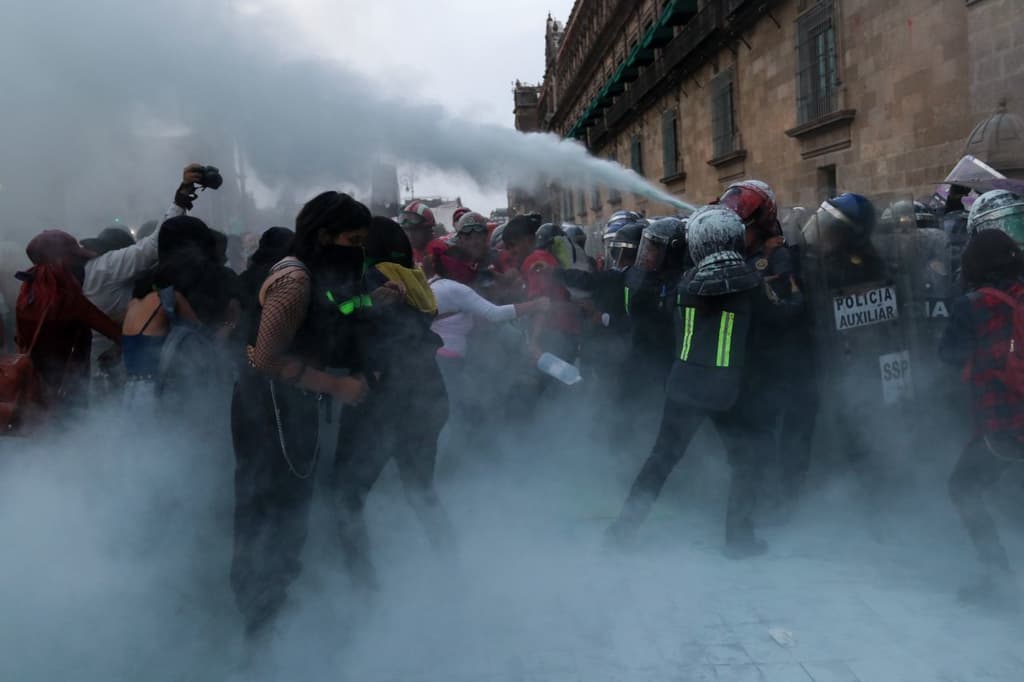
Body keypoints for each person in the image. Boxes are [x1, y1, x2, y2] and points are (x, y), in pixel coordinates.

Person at [606, 206, 790, 558]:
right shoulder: (751, 286)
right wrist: (779, 266)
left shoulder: (683, 285)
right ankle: (738, 539)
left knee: (660, 461)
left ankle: (621, 532)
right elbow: (782, 320)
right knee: (747, 463)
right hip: (730, 392)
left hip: (684, 387)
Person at [230, 191, 371, 641]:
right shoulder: (294, 281)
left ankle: (273, 613)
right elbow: (262, 358)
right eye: (352, 239)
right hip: (267, 412)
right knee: (269, 511)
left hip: (289, 410)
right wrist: (337, 386)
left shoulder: (315, 276)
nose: (357, 249)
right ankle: (260, 627)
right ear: (324, 235)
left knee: (289, 511)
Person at [333, 217, 458, 590]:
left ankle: (363, 589)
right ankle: (453, 570)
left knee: (346, 496)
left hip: (384, 400)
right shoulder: (415, 279)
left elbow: (338, 314)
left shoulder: (371, 281)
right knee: (420, 489)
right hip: (428, 395)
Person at [940, 229, 1024, 606]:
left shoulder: (971, 305)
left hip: (1003, 423)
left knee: (963, 488)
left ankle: (997, 575)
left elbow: (950, 355)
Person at [83, 165, 206, 399]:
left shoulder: (82, 277)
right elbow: (151, 248)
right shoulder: (108, 268)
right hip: (124, 380)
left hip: (91, 377)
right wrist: (179, 200)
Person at [14, 230, 121, 416]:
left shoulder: (26, 292)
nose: (76, 263)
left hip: (35, 384)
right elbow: (111, 330)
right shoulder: (67, 297)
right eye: (73, 257)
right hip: (68, 389)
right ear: (60, 259)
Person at [400, 200, 438, 268]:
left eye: (415, 230)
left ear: (429, 229)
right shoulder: (408, 254)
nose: (410, 235)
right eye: (407, 230)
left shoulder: (440, 253)